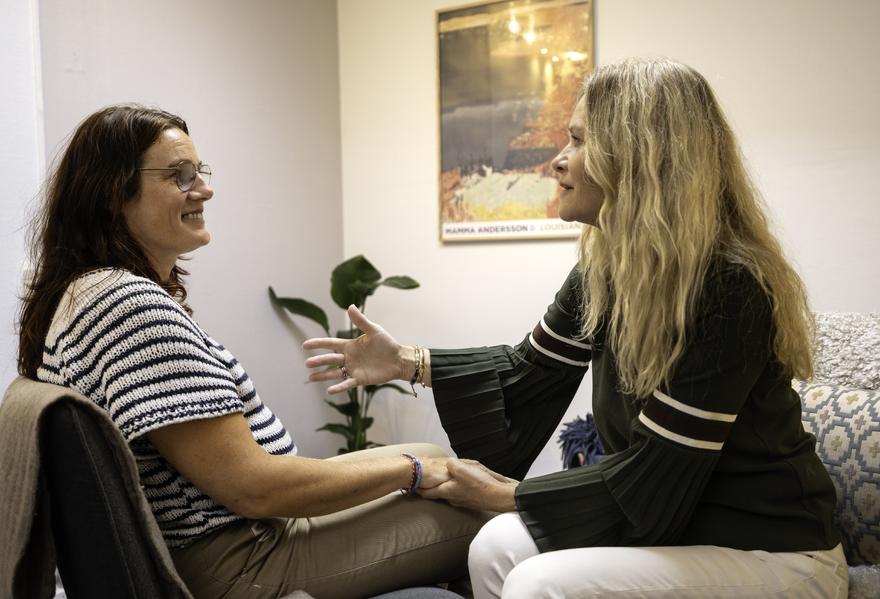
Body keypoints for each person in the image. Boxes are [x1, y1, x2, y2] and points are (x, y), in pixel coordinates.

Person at [304, 58, 849, 598]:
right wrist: (407, 362)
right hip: (680, 524)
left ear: (640, 159)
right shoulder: (604, 271)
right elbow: (528, 373)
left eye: (579, 141)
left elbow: (660, 468)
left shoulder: (730, 286)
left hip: (770, 547)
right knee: (494, 546)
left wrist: (510, 495)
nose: (557, 160)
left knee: (538, 582)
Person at [17, 104, 491, 599]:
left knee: (436, 457)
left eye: (200, 171)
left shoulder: (87, 290)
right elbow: (254, 488)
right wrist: (412, 473)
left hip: (243, 531)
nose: (205, 189)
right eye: (180, 175)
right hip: (237, 560)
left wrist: (420, 466)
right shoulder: (128, 305)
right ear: (114, 194)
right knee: (479, 511)